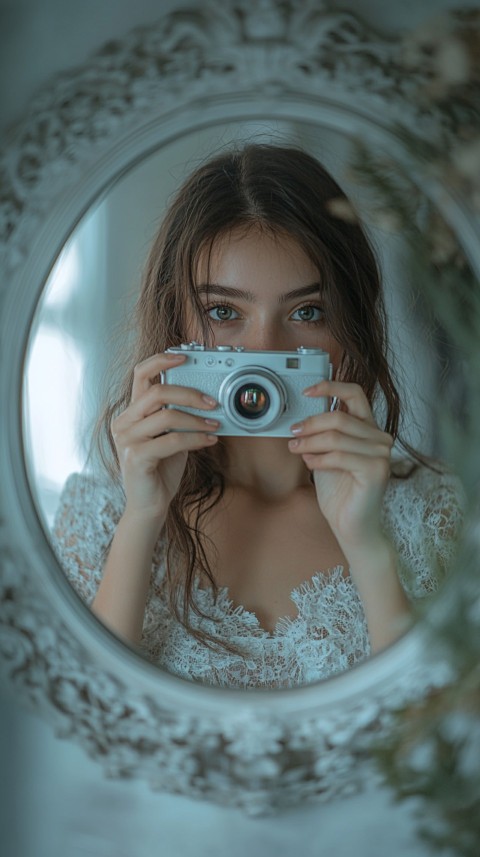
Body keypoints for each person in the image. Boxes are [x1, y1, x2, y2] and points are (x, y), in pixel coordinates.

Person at [52, 143, 464, 689]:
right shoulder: (100, 518)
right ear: (174, 319)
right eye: (224, 312)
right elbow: (81, 725)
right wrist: (142, 520)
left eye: (307, 312)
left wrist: (366, 541)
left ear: (352, 327)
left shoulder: (435, 515)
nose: (264, 353)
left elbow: (439, 748)